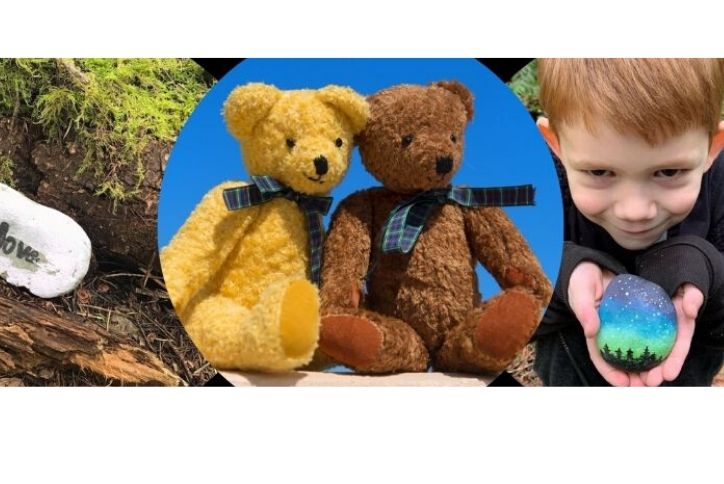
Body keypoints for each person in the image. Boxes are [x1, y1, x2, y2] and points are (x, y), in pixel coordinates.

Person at [533, 58, 724, 386]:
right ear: (556, 145)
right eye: (599, 172)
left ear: (712, 148)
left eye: (669, 172)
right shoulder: (541, 192)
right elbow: (498, 310)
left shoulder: (720, 187)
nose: (635, 211)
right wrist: (566, 275)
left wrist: (705, 267)